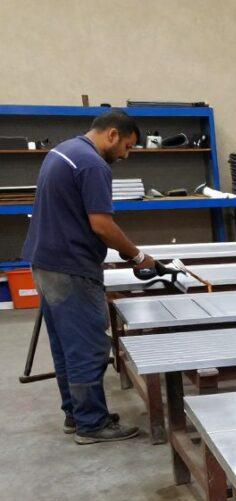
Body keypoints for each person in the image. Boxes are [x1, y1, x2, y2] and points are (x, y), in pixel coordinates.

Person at [21, 109, 157, 443]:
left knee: (67, 345)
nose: (124, 155)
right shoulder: (93, 164)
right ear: (112, 134)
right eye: (126, 146)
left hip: (46, 262)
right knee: (89, 346)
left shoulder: (63, 151)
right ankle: (92, 424)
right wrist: (137, 256)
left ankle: (76, 414)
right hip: (71, 267)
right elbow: (102, 225)